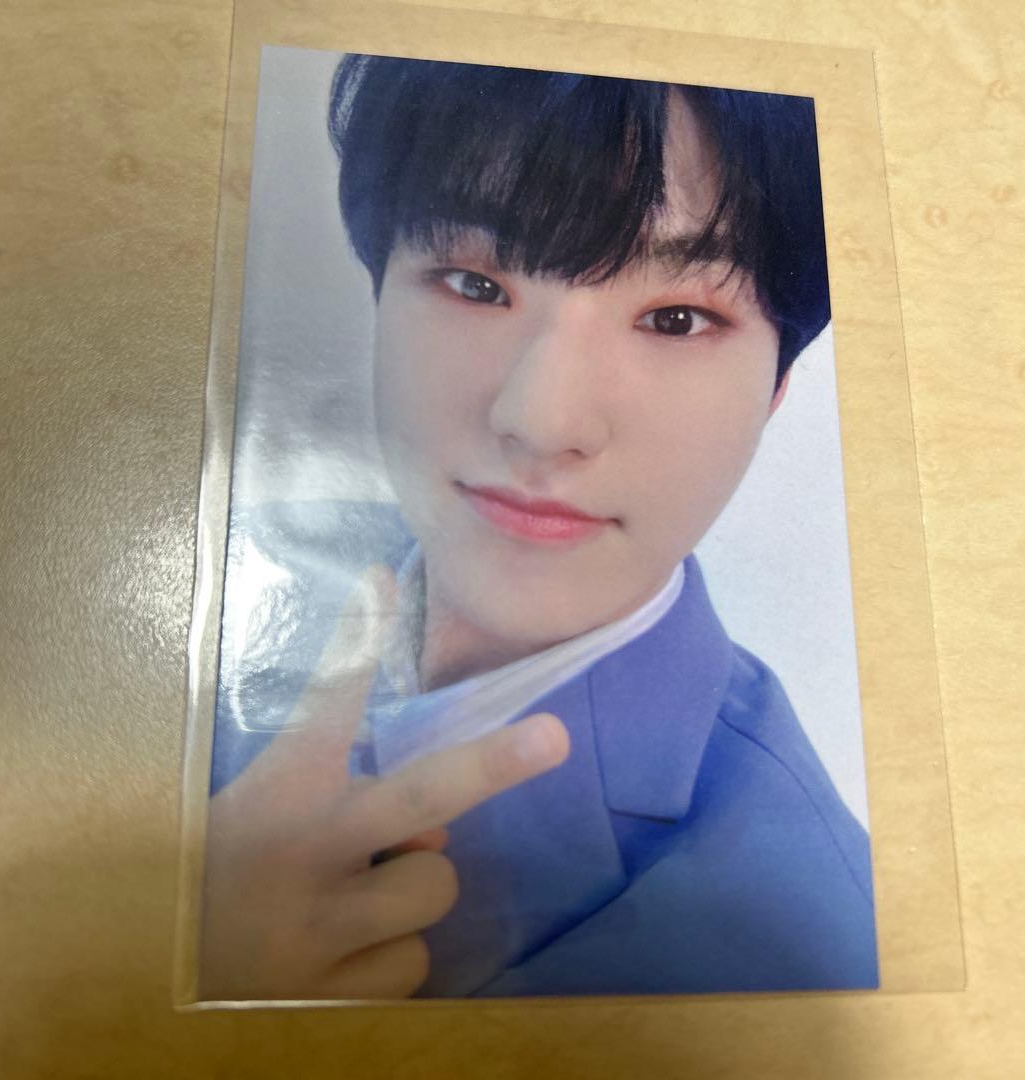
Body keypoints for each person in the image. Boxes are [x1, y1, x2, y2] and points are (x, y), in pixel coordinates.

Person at [201, 54, 878, 1000]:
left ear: (775, 389)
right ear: (379, 291)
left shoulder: (811, 956)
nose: (541, 420)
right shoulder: (229, 566)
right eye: (476, 284)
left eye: (676, 319)